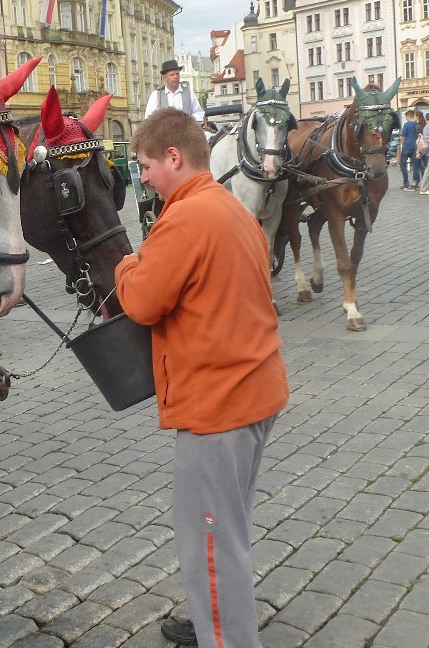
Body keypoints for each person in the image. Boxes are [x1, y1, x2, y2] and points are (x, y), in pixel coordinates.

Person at [114, 108, 288, 648]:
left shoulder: (185, 218)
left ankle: (226, 639)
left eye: (145, 165)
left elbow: (141, 300)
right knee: (227, 531)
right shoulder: (231, 207)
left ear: (173, 157)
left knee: (210, 543)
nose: (141, 177)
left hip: (219, 405)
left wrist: (126, 264)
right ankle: (216, 620)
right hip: (256, 390)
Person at [399, 110, 419, 191]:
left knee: (403, 164)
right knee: (415, 165)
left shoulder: (406, 125)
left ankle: (406, 183)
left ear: (407, 116)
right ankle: (415, 182)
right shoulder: (416, 124)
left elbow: (403, 137)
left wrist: (403, 146)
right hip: (415, 146)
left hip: (407, 146)